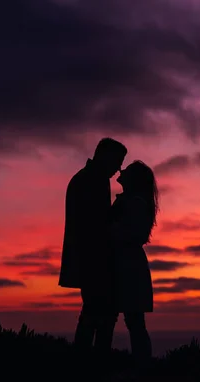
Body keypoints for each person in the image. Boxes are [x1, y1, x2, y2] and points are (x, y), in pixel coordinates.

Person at [59, 138, 127, 351]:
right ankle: (91, 367)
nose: (119, 168)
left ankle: (89, 364)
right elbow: (95, 224)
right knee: (98, 313)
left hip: (92, 259)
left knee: (96, 312)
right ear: (105, 156)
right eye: (117, 161)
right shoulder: (91, 180)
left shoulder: (90, 178)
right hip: (93, 259)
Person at [108, 160, 158, 367]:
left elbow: (134, 234)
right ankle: (142, 366)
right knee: (132, 320)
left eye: (126, 170)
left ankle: (142, 368)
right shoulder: (132, 200)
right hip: (125, 262)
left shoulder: (135, 202)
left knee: (133, 320)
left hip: (128, 265)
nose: (121, 170)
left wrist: (109, 231)